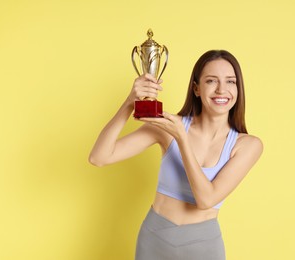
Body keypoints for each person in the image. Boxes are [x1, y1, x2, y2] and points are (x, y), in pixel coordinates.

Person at [89, 50, 263, 260]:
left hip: (204, 247)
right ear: (197, 89)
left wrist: (182, 139)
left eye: (230, 81)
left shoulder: (247, 145)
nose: (221, 90)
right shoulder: (169, 127)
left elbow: (206, 200)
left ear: (238, 88)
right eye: (211, 81)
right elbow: (99, 157)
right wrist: (129, 103)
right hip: (154, 239)